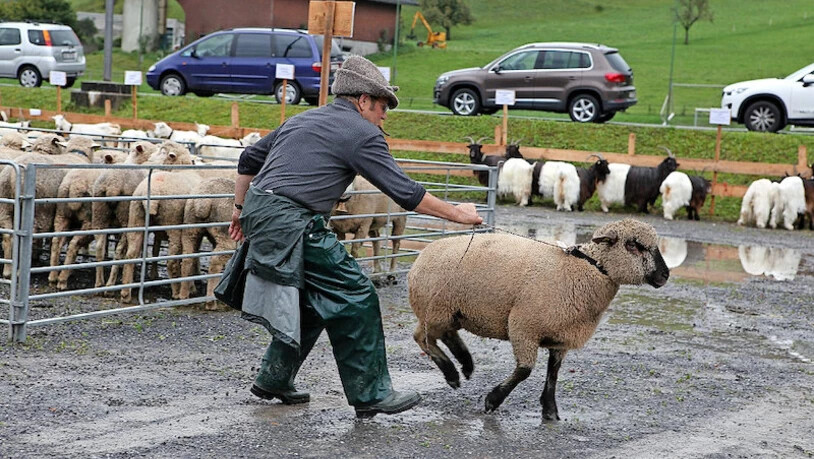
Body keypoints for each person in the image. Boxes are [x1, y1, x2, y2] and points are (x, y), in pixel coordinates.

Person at [226, 55, 482, 418]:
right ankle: (371, 393)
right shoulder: (361, 133)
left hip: (260, 211)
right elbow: (404, 191)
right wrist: (458, 214)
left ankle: (274, 377)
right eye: (382, 106)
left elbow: (249, 159)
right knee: (357, 294)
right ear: (363, 100)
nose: (384, 116)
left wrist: (239, 209)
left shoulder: (303, 118)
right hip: (294, 221)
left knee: (316, 298)